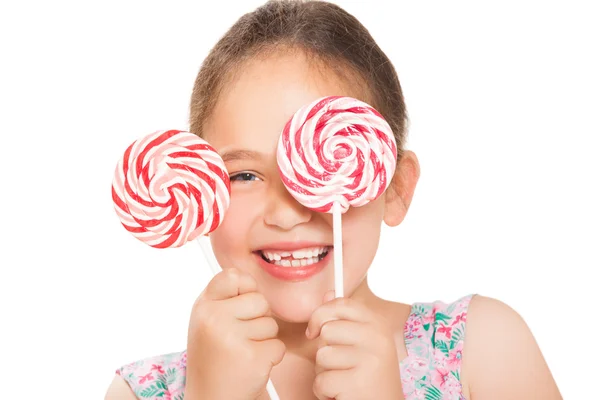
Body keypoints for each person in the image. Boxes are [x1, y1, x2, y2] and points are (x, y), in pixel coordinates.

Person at [105, 1, 562, 399]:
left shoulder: (483, 350)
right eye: (244, 174)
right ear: (197, 187)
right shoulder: (138, 392)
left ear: (396, 188)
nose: (286, 214)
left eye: (327, 161)